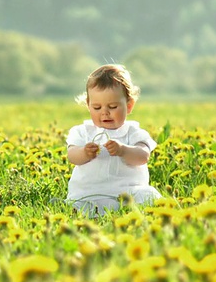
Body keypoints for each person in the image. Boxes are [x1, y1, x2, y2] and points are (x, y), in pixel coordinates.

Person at [66, 64, 161, 217]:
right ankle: (85, 212)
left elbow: (143, 156)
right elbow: (72, 156)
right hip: (90, 193)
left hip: (128, 193)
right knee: (79, 204)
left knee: (148, 196)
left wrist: (124, 150)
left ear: (129, 106)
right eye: (97, 107)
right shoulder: (82, 132)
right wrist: (84, 152)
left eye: (112, 106)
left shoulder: (133, 132)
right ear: (88, 106)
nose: (105, 113)